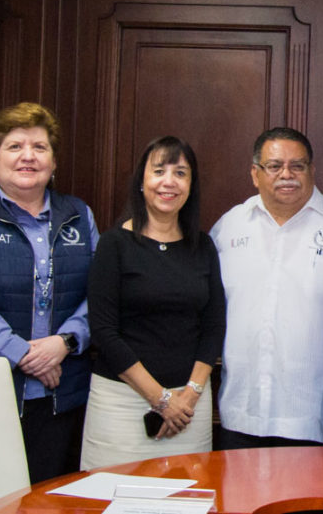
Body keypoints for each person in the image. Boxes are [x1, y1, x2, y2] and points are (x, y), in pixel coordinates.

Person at [0, 102, 97, 483]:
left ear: (54, 161)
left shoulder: (79, 215)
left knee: (51, 498)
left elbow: (100, 295)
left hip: (62, 394)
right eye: (15, 146)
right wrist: (23, 354)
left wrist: (65, 342)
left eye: (39, 147)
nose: (28, 156)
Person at [210, 127, 323, 449]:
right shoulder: (229, 227)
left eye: (298, 166)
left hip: (315, 417)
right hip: (240, 414)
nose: (287, 175)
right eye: (274, 166)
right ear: (255, 174)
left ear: (312, 170)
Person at [81, 136, 226, 469]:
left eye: (180, 173)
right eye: (159, 171)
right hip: (122, 404)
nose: (169, 182)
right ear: (141, 181)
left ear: (191, 185)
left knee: (189, 494)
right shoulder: (114, 244)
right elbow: (103, 330)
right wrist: (160, 399)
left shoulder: (203, 246)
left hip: (189, 408)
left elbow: (214, 326)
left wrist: (189, 394)